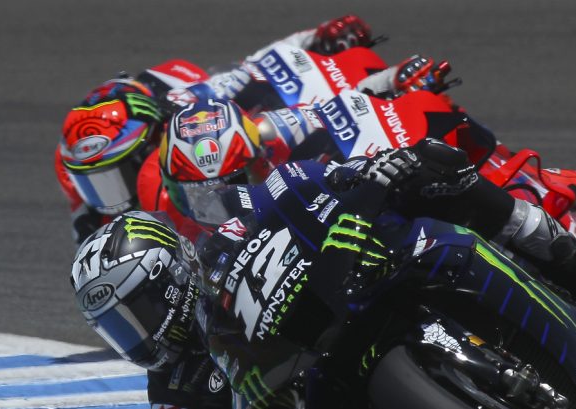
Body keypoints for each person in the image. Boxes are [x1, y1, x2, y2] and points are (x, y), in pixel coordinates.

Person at [70, 139, 576, 409]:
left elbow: (303, 189)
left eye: (138, 312)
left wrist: (365, 176)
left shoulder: (229, 244)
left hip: (344, 299)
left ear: (174, 276)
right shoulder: (173, 393)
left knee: (434, 176)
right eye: (117, 327)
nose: (137, 336)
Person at [56, 14, 443, 244]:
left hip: (251, 157)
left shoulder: (188, 107)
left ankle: (379, 94)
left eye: (112, 179)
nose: (107, 201)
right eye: (94, 184)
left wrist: (322, 43)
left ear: (147, 145)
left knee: (270, 113)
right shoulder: (90, 207)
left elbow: (252, 70)